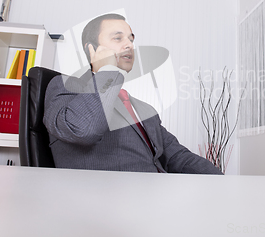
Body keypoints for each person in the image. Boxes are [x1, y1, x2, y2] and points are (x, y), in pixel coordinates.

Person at [43, 13, 223, 174]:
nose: (129, 45)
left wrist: (221, 181)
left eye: (131, 39)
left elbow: (178, 156)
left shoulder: (144, 109)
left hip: (160, 197)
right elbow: (83, 129)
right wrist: (106, 69)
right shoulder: (65, 86)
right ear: (92, 49)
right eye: (118, 38)